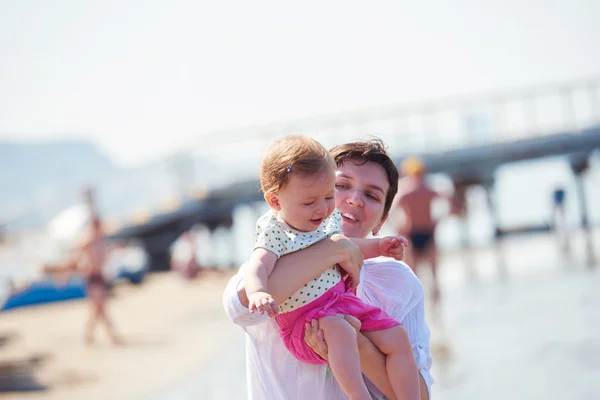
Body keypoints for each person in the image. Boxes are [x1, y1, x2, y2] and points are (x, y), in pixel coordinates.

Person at [223, 139, 433, 400]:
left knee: (384, 336)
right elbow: (241, 307)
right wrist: (333, 249)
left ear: (383, 219)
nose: (355, 200)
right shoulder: (273, 258)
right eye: (340, 186)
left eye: (372, 195)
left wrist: (361, 348)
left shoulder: (397, 282)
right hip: (302, 326)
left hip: (350, 322)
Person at [392, 156, 451, 304]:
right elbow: (451, 202)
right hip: (426, 232)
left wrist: (399, 227)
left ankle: (420, 306)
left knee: (415, 274)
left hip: (413, 233)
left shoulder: (406, 191)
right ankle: (435, 307)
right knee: (432, 274)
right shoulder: (428, 189)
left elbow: (390, 213)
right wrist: (438, 220)